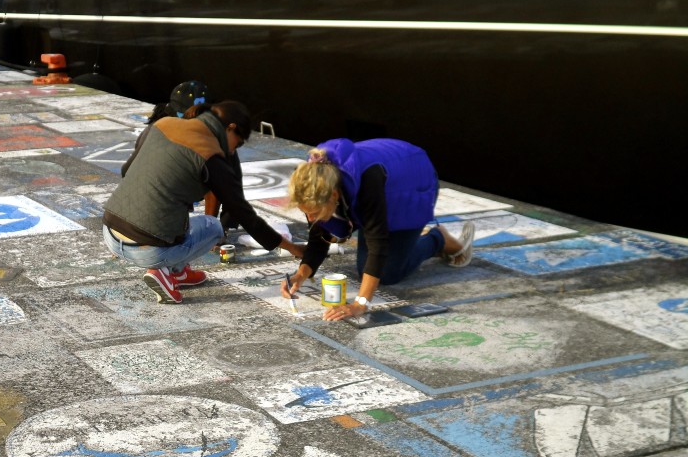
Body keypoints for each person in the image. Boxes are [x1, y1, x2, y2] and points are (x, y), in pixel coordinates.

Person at [103, 100, 303, 304]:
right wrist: (292, 247)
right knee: (213, 227)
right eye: (238, 143)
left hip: (110, 233)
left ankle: (179, 271)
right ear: (230, 128)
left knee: (180, 219)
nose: (234, 151)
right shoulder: (211, 155)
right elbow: (244, 214)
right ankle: (163, 271)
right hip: (148, 251)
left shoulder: (163, 125)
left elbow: (126, 170)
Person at [282, 138, 475, 320]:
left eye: (314, 213)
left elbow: (378, 243)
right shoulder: (314, 179)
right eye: (306, 213)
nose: (310, 218)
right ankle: (411, 242)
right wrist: (301, 275)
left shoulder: (367, 181)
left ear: (334, 195)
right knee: (365, 268)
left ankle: (437, 239)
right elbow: (320, 236)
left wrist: (360, 304)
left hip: (411, 183)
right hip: (384, 182)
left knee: (388, 273)